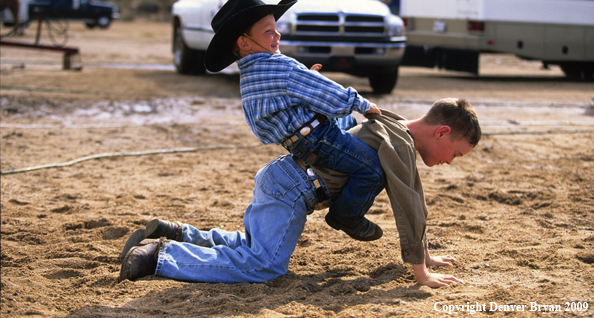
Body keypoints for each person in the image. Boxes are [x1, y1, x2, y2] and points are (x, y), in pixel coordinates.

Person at [119, 98, 482, 288]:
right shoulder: (399, 142)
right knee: (265, 265)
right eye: (457, 153)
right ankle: (158, 257)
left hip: (285, 177)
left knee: (252, 247)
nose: (451, 162)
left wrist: (426, 255)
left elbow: (411, 197)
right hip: (295, 188)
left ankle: (176, 232)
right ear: (441, 132)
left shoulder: (390, 123)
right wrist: (422, 273)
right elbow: (409, 202)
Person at [203, 0, 385, 241]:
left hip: (301, 140)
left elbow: (287, 101)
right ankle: (346, 215)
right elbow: (325, 90)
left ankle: (341, 179)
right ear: (244, 42)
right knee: (373, 169)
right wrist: (360, 103)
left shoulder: (250, 74)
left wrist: (305, 84)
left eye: (276, 28)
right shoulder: (279, 66)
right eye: (268, 31)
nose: (277, 35)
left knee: (349, 125)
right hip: (320, 137)